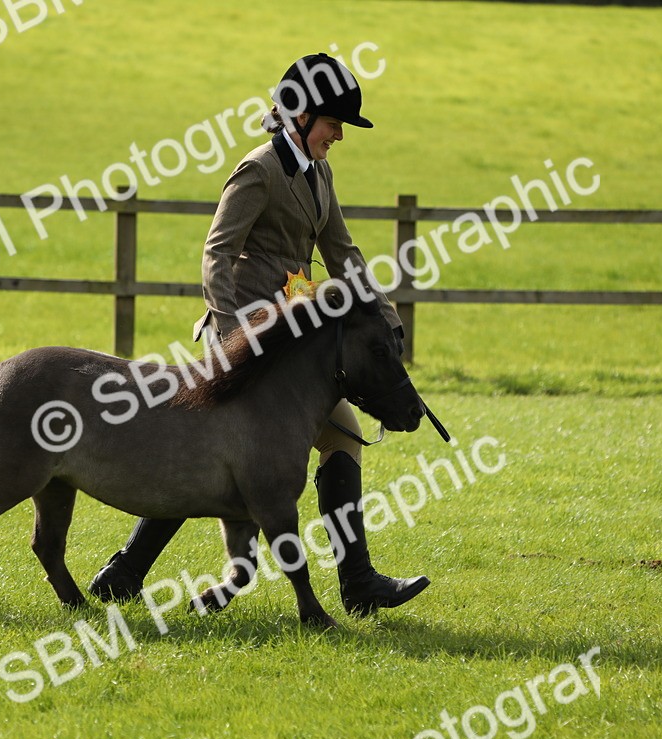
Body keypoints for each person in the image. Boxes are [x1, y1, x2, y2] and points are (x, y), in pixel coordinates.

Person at [87, 54, 430, 616]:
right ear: (299, 116)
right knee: (211, 459)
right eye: (333, 123)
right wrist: (229, 336)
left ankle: (358, 584)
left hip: (292, 344)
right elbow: (217, 252)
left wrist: (385, 315)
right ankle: (128, 570)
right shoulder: (259, 170)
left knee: (341, 440)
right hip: (243, 338)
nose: (339, 135)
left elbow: (341, 250)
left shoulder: (320, 172)